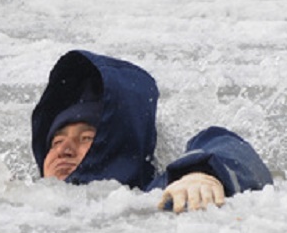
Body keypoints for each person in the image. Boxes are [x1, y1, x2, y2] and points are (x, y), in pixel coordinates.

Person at [31, 50, 273, 212]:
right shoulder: (20, 206)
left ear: (119, 145)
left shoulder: (158, 193)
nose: (63, 150)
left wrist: (201, 171)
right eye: (56, 142)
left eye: (86, 138)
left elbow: (226, 145)